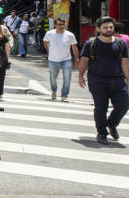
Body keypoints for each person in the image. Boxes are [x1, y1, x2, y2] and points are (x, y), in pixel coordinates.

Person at [78, 16, 129, 144]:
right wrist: (80, 76)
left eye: (110, 27)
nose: (108, 29)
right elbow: (84, 60)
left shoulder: (121, 43)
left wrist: (128, 79)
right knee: (101, 107)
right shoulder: (91, 43)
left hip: (117, 80)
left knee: (123, 105)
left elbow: (125, 64)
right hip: (97, 80)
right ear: (99, 29)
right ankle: (101, 132)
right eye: (105, 27)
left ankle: (111, 124)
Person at [44, 18, 79, 102]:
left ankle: (64, 95)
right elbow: (45, 42)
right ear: (55, 25)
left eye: (62, 24)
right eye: (59, 25)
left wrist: (77, 59)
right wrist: (49, 51)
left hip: (66, 59)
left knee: (67, 78)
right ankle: (54, 91)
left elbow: (74, 47)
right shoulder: (50, 33)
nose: (61, 26)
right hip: (53, 59)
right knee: (53, 78)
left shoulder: (70, 35)